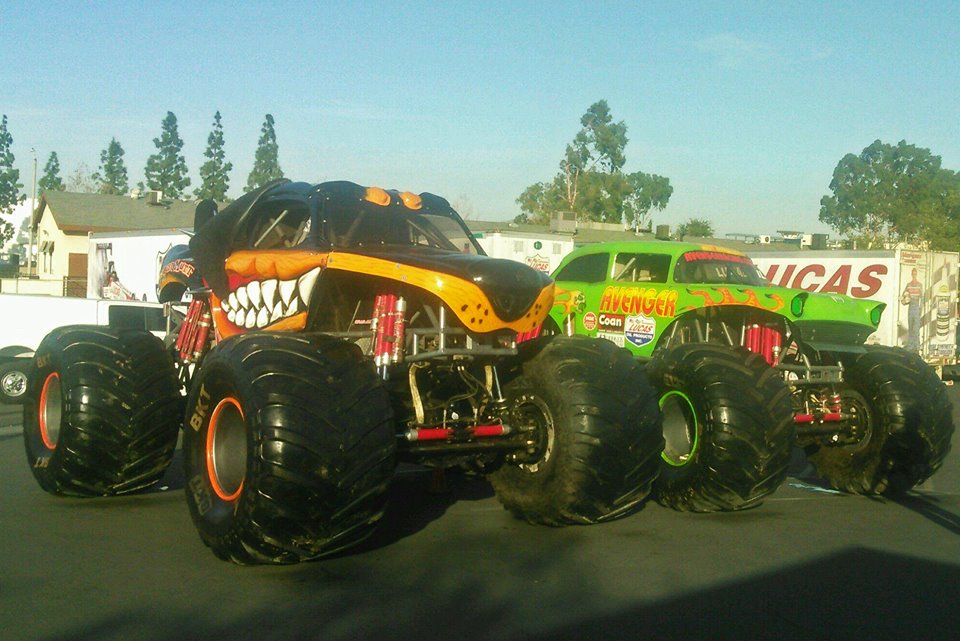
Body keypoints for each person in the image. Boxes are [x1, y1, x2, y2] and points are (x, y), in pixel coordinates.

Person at [900, 267, 923, 352]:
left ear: (916, 274)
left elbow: (922, 298)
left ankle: (917, 346)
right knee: (911, 327)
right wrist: (905, 301)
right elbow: (903, 297)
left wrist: (921, 309)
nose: (914, 275)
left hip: (916, 306)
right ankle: (910, 346)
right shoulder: (908, 285)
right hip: (911, 307)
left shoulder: (919, 285)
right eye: (913, 274)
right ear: (911, 274)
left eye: (915, 274)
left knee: (916, 328)